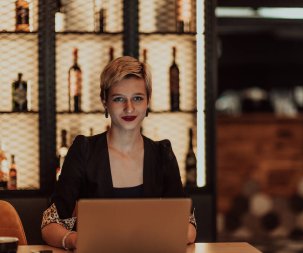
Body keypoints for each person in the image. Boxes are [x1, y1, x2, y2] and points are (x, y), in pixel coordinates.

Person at [41, 56, 197, 250]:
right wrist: (74, 240)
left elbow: (189, 226)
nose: (129, 108)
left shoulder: (162, 154)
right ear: (104, 102)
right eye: (119, 99)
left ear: (148, 101)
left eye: (137, 98)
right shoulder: (84, 151)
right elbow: (50, 225)